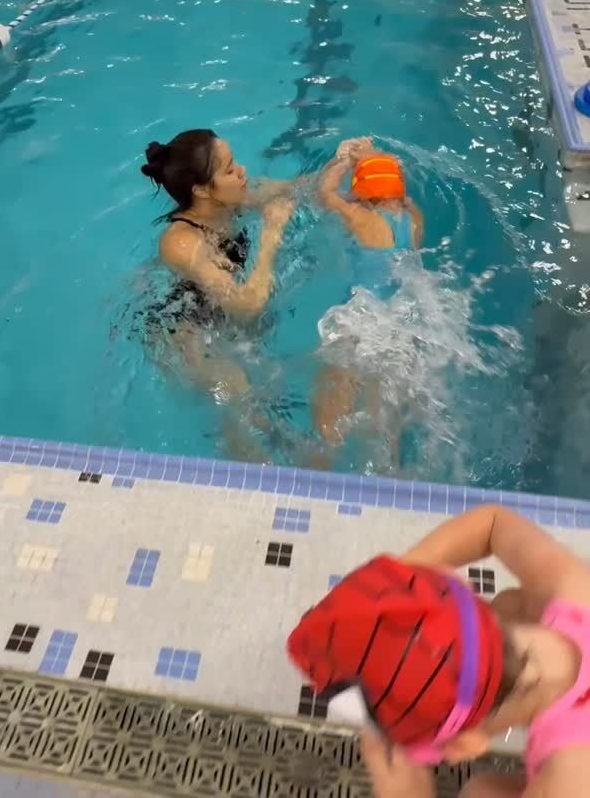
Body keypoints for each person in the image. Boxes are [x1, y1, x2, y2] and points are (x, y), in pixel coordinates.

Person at [292, 504, 590, 798]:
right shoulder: (573, 588)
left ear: (467, 746)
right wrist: (410, 579)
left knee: (480, 792)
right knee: (512, 603)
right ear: (461, 583)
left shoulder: (562, 785)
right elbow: (494, 522)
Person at [138, 130, 294, 451]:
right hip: (186, 334)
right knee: (240, 408)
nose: (242, 171)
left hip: (221, 320)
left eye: (235, 161)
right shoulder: (181, 242)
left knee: (275, 412)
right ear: (202, 190)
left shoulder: (235, 200)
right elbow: (248, 305)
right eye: (229, 169)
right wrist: (271, 235)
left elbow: (300, 189)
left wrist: (342, 166)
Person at [314, 138, 423, 448]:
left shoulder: (360, 217)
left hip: (358, 319)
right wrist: (379, 160)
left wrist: (343, 161)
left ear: (362, 195)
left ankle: (320, 461)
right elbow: (397, 193)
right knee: (386, 424)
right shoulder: (414, 220)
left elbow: (324, 194)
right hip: (400, 323)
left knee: (332, 417)